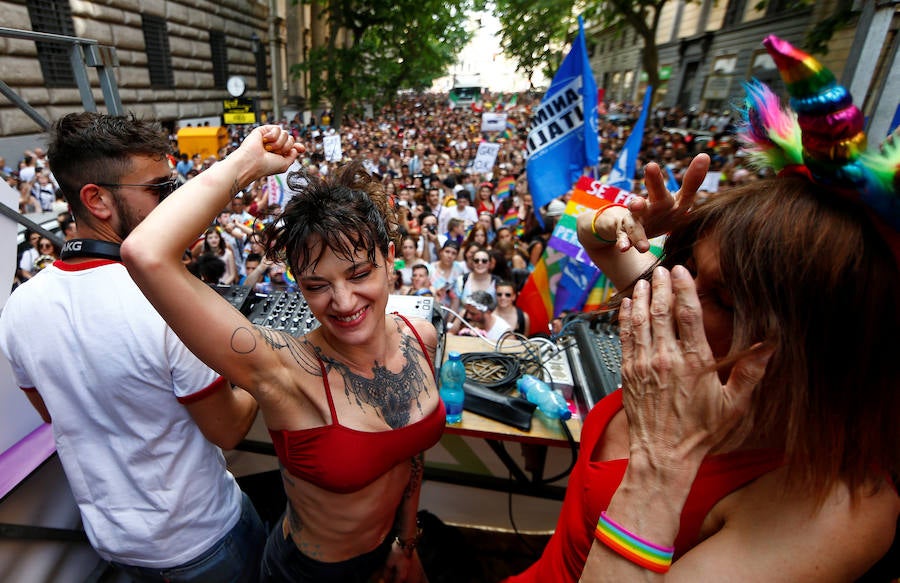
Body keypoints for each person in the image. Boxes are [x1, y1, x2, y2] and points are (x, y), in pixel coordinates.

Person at [505, 36, 899, 582]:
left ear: (809, 343)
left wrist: (665, 459)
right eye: (685, 266)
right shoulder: (693, 314)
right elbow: (591, 236)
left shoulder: (841, 505)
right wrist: (620, 222)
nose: (671, 291)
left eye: (720, 296)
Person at [121, 128, 443, 583]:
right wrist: (244, 164)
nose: (344, 301)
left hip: (389, 554)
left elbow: (409, 454)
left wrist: (405, 542)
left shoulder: (421, 336)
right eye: (317, 286)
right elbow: (145, 253)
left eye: (360, 273)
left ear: (390, 259)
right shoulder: (282, 369)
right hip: (308, 573)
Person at [0, 112, 264, 582]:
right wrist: (264, 363)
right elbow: (227, 429)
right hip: (205, 540)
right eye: (159, 189)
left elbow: (55, 413)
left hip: (116, 545)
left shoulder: (19, 307)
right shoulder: (166, 303)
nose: (174, 199)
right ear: (97, 199)